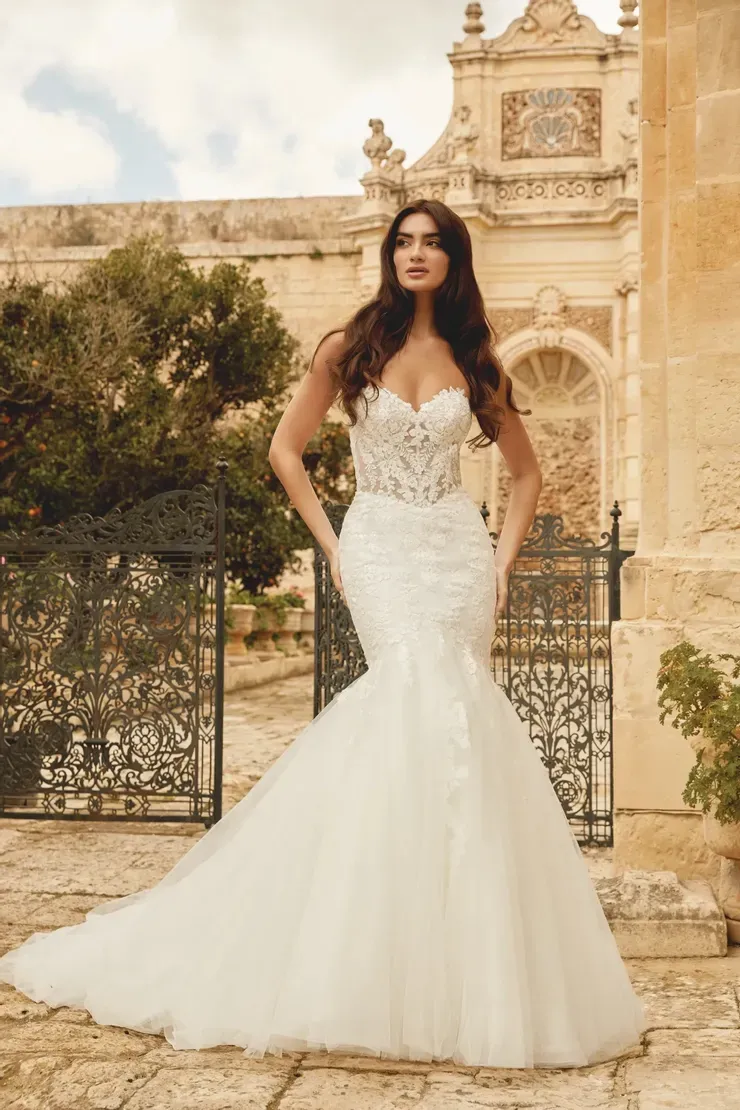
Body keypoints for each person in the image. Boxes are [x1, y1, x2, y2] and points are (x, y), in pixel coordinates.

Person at [0, 199, 646, 1068]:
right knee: (407, 701)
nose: (416, 255)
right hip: (377, 545)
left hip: (454, 551)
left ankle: (456, 967)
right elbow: (284, 448)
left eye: (433, 244)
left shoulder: (476, 359)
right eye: (404, 242)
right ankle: (361, 958)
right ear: (390, 255)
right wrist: (335, 544)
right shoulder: (349, 350)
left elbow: (524, 476)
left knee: (459, 722)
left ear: (455, 261)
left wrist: (500, 563)